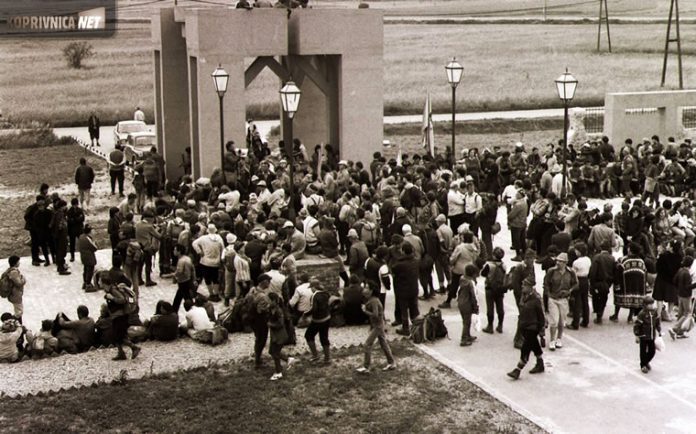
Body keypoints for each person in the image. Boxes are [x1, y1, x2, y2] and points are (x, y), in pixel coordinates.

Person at [507, 279, 546, 380]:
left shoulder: (536, 299)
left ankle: (518, 369)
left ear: (531, 287)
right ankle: (540, 363)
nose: (522, 287)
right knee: (534, 345)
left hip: (532, 327)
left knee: (525, 348)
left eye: (524, 285)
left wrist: (542, 329)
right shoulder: (524, 296)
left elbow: (541, 315)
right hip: (524, 326)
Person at [356, 285, 396, 374]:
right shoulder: (371, 299)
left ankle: (366, 367)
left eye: (366, 287)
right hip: (377, 325)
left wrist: (364, 310)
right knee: (383, 344)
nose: (364, 289)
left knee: (367, 344)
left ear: (371, 291)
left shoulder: (374, 300)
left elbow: (375, 315)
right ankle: (391, 363)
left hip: (378, 326)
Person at [543, 252, 578, 351]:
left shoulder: (571, 272)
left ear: (565, 263)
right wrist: (548, 294)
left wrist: (569, 291)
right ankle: (552, 340)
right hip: (553, 299)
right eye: (557, 260)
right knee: (554, 321)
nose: (558, 263)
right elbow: (546, 284)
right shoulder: (551, 271)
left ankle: (559, 338)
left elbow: (576, 284)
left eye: (561, 261)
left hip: (564, 299)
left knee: (562, 321)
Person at [104, 281, 141, 360]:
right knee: (116, 336)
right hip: (116, 316)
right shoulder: (110, 290)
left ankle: (134, 347)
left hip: (120, 316)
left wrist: (112, 298)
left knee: (119, 336)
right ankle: (121, 353)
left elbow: (122, 300)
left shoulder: (113, 290)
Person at [391, 242, 421, 336]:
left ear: (403, 251)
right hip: (414, 288)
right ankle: (417, 327)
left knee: (404, 310)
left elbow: (393, 269)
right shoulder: (416, 261)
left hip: (402, 289)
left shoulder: (400, 264)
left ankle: (405, 328)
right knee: (414, 309)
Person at [192, 224, 225, 302]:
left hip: (205, 261)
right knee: (215, 278)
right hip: (216, 262)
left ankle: (211, 294)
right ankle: (216, 294)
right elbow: (223, 249)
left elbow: (194, 243)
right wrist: (221, 258)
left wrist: (199, 252)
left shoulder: (203, 238)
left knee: (207, 279)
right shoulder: (219, 238)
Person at [267, 292, 295, 381]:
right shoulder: (272, 309)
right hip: (275, 335)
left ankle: (278, 372)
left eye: (269, 301)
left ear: (274, 301)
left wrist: (270, 324)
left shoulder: (278, 311)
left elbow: (280, 323)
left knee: (275, 353)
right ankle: (288, 359)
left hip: (280, 335)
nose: (267, 303)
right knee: (272, 351)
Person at [305, 280, 332, 364]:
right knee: (324, 338)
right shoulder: (326, 293)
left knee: (308, 335)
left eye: (311, 288)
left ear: (314, 287)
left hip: (318, 320)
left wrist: (305, 314)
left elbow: (314, 309)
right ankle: (327, 358)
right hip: (327, 318)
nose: (311, 290)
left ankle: (315, 355)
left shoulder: (315, 295)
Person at [633, 296, 662, 373]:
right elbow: (637, 325)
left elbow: (657, 322)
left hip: (652, 336)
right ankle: (643, 365)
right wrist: (637, 335)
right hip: (643, 336)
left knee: (652, 351)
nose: (651, 306)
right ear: (645, 305)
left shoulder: (654, 312)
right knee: (643, 351)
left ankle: (646, 362)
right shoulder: (642, 314)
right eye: (649, 304)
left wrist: (659, 330)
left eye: (652, 304)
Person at [481, 247, 506, 334]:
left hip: (490, 288)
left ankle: (490, 326)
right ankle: (500, 325)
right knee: (500, 307)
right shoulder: (504, 265)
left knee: (490, 308)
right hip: (500, 289)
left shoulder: (489, 265)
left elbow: (483, 274)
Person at [2, 256, 26, 322]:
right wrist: (23, 279)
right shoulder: (14, 272)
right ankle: (13, 322)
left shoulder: (9, 270)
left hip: (14, 294)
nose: (19, 263)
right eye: (18, 262)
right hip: (15, 294)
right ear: (15, 263)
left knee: (18, 311)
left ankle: (18, 323)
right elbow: (19, 283)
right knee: (19, 312)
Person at [173, 245, 196, 313]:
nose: (173, 251)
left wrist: (171, 275)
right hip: (188, 280)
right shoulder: (188, 258)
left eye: (175, 250)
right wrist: (194, 279)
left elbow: (179, 272)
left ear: (179, 252)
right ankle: (174, 310)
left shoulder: (181, 261)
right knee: (180, 297)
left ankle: (175, 311)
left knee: (185, 298)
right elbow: (193, 269)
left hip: (183, 282)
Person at [77, 224, 98, 292]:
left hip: (84, 257)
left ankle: (85, 282)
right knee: (90, 271)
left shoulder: (81, 236)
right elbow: (95, 248)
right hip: (89, 258)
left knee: (85, 270)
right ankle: (88, 284)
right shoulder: (88, 239)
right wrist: (94, 241)